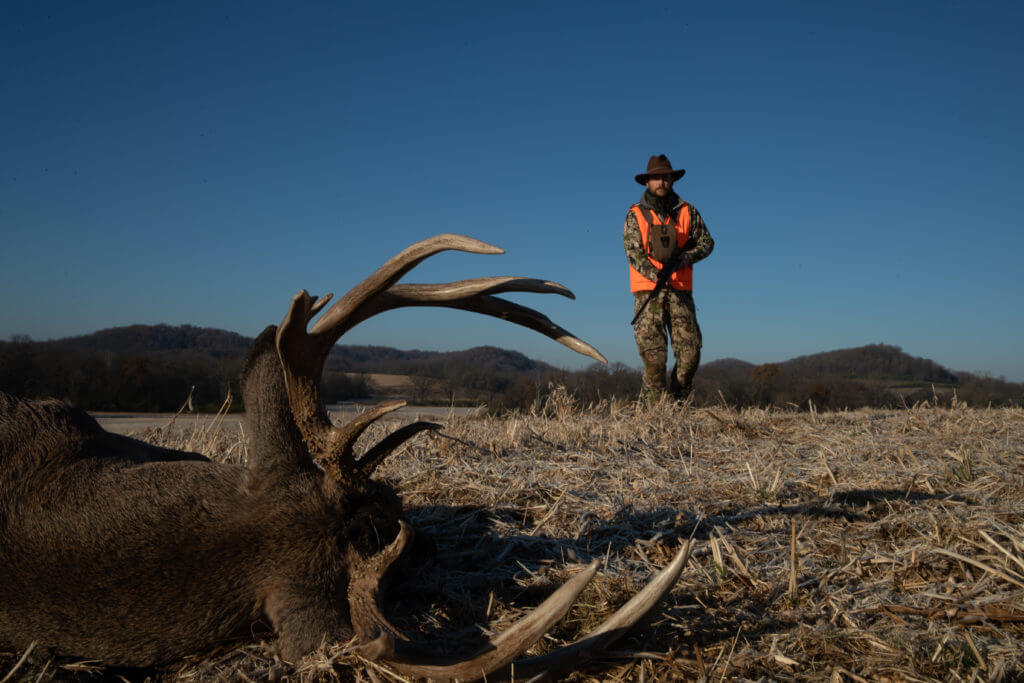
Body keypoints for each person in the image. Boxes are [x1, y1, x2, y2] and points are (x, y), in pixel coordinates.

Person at [624, 154, 714, 401]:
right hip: (648, 294)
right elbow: (633, 253)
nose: (661, 182)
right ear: (647, 182)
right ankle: (654, 415)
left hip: (680, 292)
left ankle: (677, 402)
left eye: (665, 177)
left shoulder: (688, 211)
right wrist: (655, 275)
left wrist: (687, 258)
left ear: (672, 180)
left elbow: (707, 242)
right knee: (654, 361)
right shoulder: (635, 214)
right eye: (656, 178)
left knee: (690, 357)